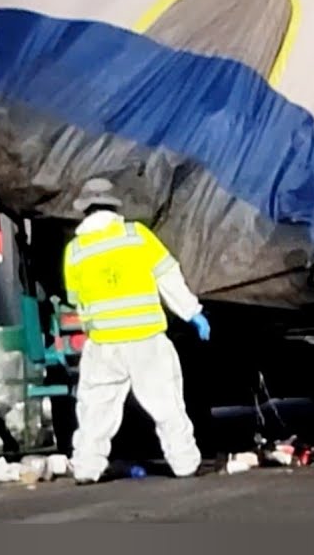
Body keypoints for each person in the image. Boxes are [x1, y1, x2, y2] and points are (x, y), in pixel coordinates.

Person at [62, 178, 211, 484]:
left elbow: (77, 301)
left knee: (95, 411)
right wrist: (193, 313)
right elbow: (168, 277)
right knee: (167, 403)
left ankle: (87, 467)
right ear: (113, 207)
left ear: (85, 210)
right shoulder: (137, 236)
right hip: (146, 339)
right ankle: (184, 463)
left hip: (104, 344)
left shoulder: (74, 251)